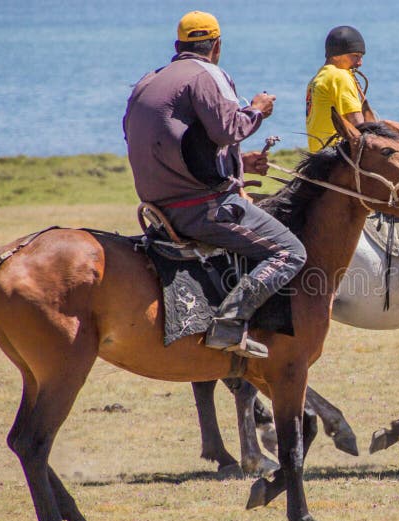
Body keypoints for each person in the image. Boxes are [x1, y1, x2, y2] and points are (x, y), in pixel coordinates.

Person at [123, 11, 306, 358]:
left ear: (177, 46)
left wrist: (238, 162)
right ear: (217, 46)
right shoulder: (209, 73)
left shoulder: (149, 80)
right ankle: (229, 324)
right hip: (201, 210)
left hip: (157, 211)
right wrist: (257, 110)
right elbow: (227, 129)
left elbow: (178, 142)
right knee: (290, 252)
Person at [305, 25, 399, 152]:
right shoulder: (339, 76)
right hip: (339, 154)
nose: (360, 63)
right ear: (337, 55)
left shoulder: (316, 79)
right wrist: (387, 126)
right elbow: (360, 129)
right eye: (355, 56)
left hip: (320, 154)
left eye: (361, 57)